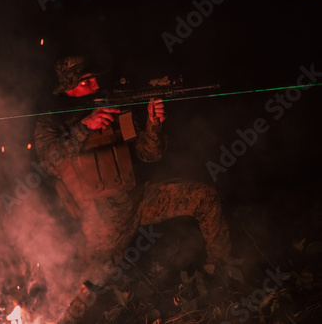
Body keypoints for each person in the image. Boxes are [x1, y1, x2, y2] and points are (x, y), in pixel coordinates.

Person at [34, 56, 231, 319]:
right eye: (85, 81)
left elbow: (149, 154)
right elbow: (50, 162)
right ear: (67, 88)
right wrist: (84, 127)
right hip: (102, 221)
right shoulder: (50, 121)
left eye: (94, 77)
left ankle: (222, 271)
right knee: (84, 291)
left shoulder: (112, 107)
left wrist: (153, 124)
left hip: (138, 199)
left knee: (205, 197)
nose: (94, 84)